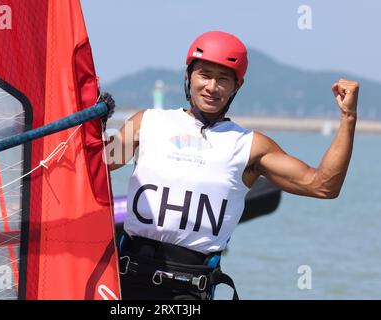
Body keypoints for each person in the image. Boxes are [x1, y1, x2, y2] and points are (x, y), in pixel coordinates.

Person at [103, 31, 359, 300]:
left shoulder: (250, 146)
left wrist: (348, 117)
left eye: (223, 78)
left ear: (237, 86)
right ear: (188, 75)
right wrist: (88, 119)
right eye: (204, 74)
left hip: (187, 292)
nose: (212, 87)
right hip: (125, 283)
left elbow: (323, 186)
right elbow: (98, 163)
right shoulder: (147, 123)